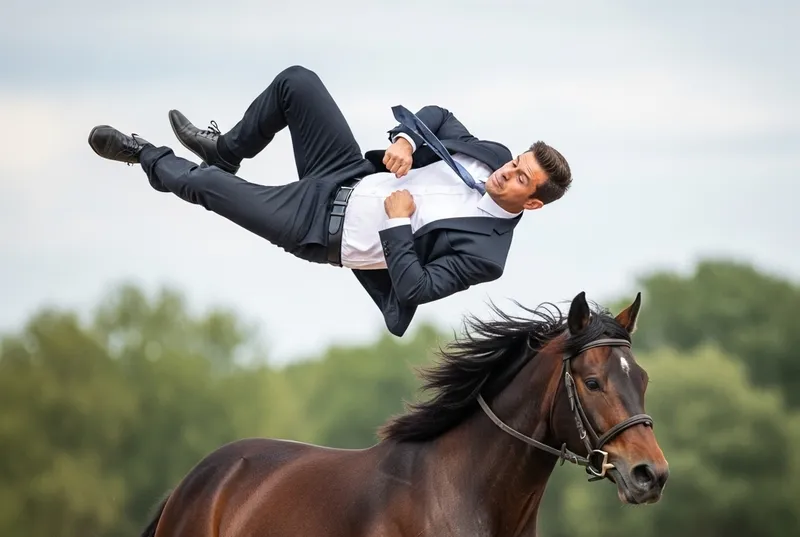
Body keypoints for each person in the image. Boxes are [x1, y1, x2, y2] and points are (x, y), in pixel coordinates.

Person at [88, 66, 572, 336]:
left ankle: (143, 153)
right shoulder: (492, 156)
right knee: (297, 82)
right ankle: (226, 149)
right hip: (343, 173)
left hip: (318, 229)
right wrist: (406, 141)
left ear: (531, 204)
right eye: (517, 161)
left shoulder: (486, 255)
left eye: (520, 178)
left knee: (209, 188)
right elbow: (439, 117)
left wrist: (398, 224)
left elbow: (415, 288)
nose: (507, 170)